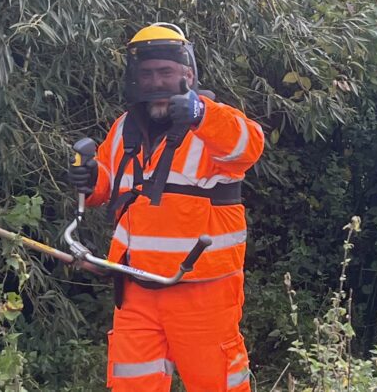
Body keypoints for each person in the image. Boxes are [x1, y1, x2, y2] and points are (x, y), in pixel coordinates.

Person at [67, 23, 264, 391]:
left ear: (188, 74)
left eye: (165, 72)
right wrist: (91, 181)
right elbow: (110, 183)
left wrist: (200, 114)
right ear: (135, 78)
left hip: (201, 291)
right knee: (132, 384)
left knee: (216, 385)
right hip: (136, 291)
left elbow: (248, 146)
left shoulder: (215, 123)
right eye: (147, 73)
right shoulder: (125, 127)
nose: (155, 81)